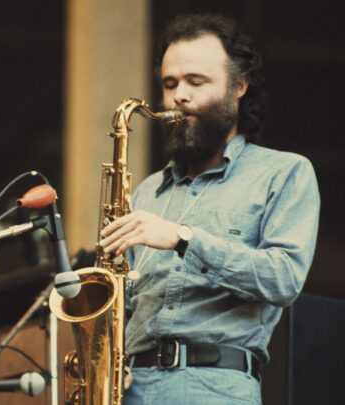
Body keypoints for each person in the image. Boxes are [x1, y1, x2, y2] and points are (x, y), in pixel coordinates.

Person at [98, 13, 320, 405]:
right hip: (131, 391)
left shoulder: (285, 173)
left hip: (216, 389)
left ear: (239, 86)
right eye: (170, 84)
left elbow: (284, 278)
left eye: (195, 82)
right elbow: (124, 303)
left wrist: (184, 239)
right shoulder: (147, 191)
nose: (178, 96)